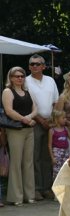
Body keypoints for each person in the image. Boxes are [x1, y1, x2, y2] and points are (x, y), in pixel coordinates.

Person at [2, 66, 37, 206]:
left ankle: (29, 195)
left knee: (28, 163)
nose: (19, 78)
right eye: (16, 76)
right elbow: (9, 111)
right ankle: (16, 197)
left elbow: (36, 108)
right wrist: (24, 119)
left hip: (29, 130)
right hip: (15, 130)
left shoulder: (27, 91)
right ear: (11, 78)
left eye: (22, 76)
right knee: (16, 163)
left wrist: (29, 117)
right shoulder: (7, 91)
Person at [25, 54, 59, 201]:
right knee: (35, 156)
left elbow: (55, 102)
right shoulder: (25, 81)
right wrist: (40, 119)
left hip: (50, 122)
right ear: (29, 66)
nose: (35, 66)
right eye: (32, 64)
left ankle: (47, 188)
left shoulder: (50, 80)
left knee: (48, 156)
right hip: (34, 122)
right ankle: (37, 188)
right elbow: (27, 104)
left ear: (44, 66)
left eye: (38, 64)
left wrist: (52, 121)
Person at [48, 110, 70, 182]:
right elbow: (49, 145)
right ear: (57, 119)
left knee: (65, 170)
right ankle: (56, 189)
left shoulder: (66, 129)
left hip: (66, 152)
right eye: (63, 118)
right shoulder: (51, 131)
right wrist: (52, 158)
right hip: (56, 153)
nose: (65, 119)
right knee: (57, 172)